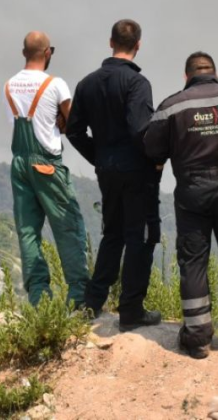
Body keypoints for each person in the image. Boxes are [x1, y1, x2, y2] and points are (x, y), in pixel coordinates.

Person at [143, 51, 218, 359]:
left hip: (191, 194)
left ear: (186, 75)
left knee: (193, 262)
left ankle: (198, 339)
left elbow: (152, 151)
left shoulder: (172, 106)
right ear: (214, 72)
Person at [67, 19, 162, 330]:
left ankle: (92, 304)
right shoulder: (137, 83)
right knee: (141, 237)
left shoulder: (87, 83)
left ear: (111, 42)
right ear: (138, 45)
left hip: (107, 170)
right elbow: (139, 129)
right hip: (136, 170)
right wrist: (156, 159)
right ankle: (131, 310)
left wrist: (99, 156)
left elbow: (74, 130)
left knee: (113, 234)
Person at [3, 31, 89, 308]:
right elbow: (73, 120)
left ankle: (39, 298)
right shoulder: (56, 84)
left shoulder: (10, 85)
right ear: (48, 52)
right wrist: (61, 124)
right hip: (47, 164)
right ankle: (78, 296)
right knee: (68, 227)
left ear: (23, 52)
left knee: (28, 231)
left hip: (19, 163)